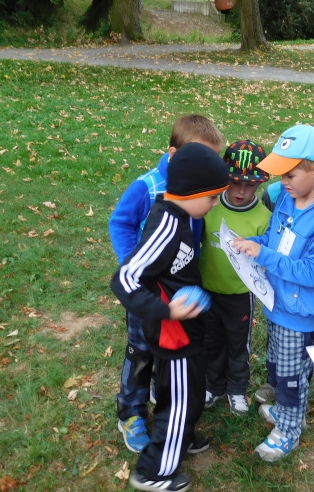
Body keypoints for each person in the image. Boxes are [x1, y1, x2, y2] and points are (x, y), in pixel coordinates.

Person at [111, 142, 231, 492]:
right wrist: (166, 311)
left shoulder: (181, 215)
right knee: (179, 400)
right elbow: (124, 278)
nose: (213, 205)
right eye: (212, 198)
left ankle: (181, 437)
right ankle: (154, 470)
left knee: (190, 391)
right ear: (192, 192)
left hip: (188, 329)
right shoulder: (165, 224)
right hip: (172, 334)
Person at [231, 124, 314, 462]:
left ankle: (289, 429)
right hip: (276, 302)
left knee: (291, 376)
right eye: (281, 174)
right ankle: (285, 411)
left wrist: (264, 254)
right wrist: (253, 244)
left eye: (290, 174)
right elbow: (273, 237)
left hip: (298, 314)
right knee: (278, 364)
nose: (282, 181)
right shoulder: (287, 198)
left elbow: (313, 273)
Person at [200, 140, 271, 416]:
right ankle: (213, 385)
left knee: (238, 343)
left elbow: (265, 258)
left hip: (240, 295)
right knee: (211, 340)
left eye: (250, 185)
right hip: (208, 290)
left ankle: (238, 388)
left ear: (260, 183)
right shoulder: (209, 207)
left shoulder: (263, 217)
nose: (241, 191)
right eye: (235, 182)